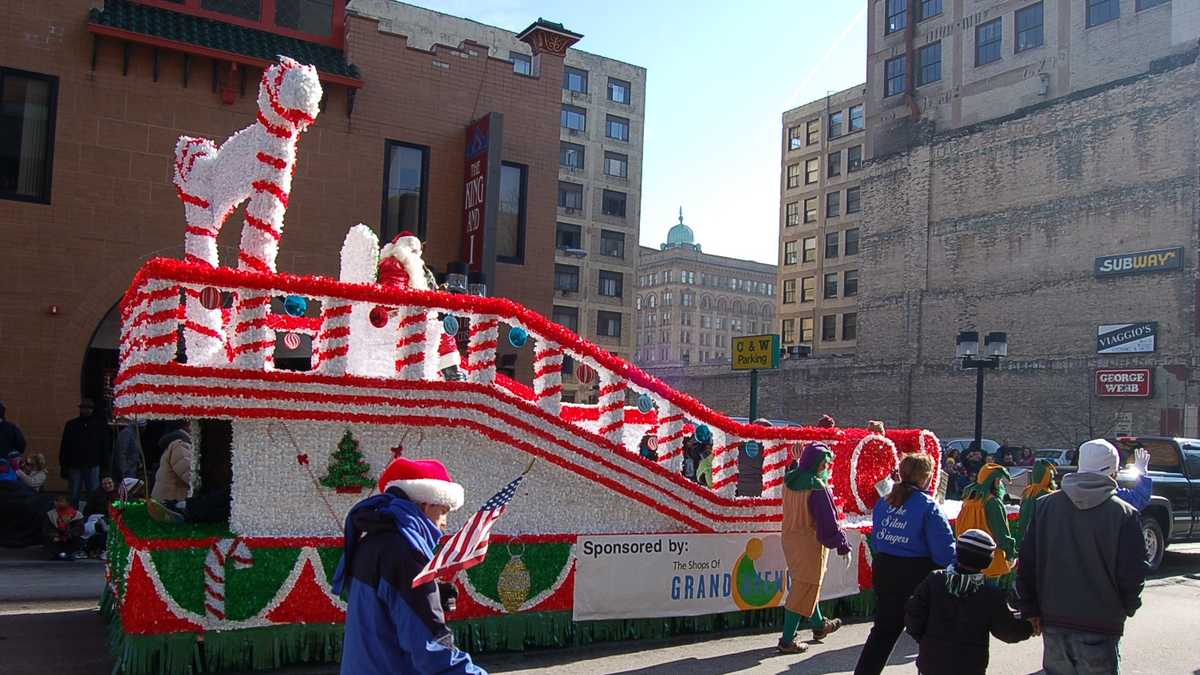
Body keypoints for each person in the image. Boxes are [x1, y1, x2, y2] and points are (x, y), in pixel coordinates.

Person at [332, 456, 484, 674]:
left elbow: (381, 608)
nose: (445, 523)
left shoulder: (372, 540)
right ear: (425, 504)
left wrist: (429, 593)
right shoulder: (406, 552)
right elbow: (432, 649)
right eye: (443, 511)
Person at [1014, 438, 1147, 674]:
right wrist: (1127, 606)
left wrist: (1030, 607)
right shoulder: (1123, 514)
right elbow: (1132, 571)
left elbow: (1027, 561)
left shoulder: (1045, 506)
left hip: (1054, 618)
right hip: (1101, 621)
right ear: (1112, 471)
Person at [854, 453, 956, 675]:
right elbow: (944, 552)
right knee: (932, 634)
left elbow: (879, 539)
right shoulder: (928, 506)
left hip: (885, 569)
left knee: (883, 632)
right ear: (926, 478)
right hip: (917, 575)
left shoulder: (885, 501)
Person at [905, 529, 1034, 675]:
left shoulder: (934, 581)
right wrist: (1029, 626)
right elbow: (1007, 631)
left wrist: (924, 640)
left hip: (931, 662)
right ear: (987, 561)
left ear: (957, 553)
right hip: (969, 666)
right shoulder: (990, 594)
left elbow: (913, 613)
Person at [777, 442, 852, 655]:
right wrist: (842, 544)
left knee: (808, 584)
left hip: (790, 539)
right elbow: (828, 521)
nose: (825, 467)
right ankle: (787, 640)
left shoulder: (790, 478)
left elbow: (795, 469)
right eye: (824, 463)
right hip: (809, 544)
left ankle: (819, 626)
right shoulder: (817, 486)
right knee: (804, 587)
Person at [954, 463, 1015, 582]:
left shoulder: (969, 499)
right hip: (989, 560)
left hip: (968, 560)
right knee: (988, 597)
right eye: (999, 480)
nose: (1000, 484)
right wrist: (1010, 553)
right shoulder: (993, 503)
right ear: (993, 481)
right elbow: (1001, 533)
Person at [59, 398, 111, 507]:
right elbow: (65, 446)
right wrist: (64, 465)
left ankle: (92, 514)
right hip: (76, 464)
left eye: (88, 408)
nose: (86, 410)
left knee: (93, 494)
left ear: (92, 410)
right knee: (74, 494)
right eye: (84, 408)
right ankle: (73, 515)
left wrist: (104, 466)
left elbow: (104, 446)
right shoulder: (72, 425)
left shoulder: (99, 425)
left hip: (92, 464)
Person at [1015, 459, 1056, 545]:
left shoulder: (1027, 491)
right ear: (1047, 476)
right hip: (1040, 540)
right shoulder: (1048, 495)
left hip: (1023, 538)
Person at [151, 427, 192, 502]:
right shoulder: (180, 445)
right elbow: (188, 474)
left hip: (166, 499)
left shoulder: (179, 443)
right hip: (169, 500)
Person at [44, 494, 85, 560]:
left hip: (70, 538)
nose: (56, 503)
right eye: (56, 501)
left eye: (60, 501)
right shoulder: (51, 514)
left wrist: (68, 534)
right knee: (49, 541)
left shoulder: (77, 515)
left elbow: (79, 530)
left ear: (67, 503)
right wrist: (55, 536)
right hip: (56, 539)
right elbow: (47, 529)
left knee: (78, 541)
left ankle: (70, 554)